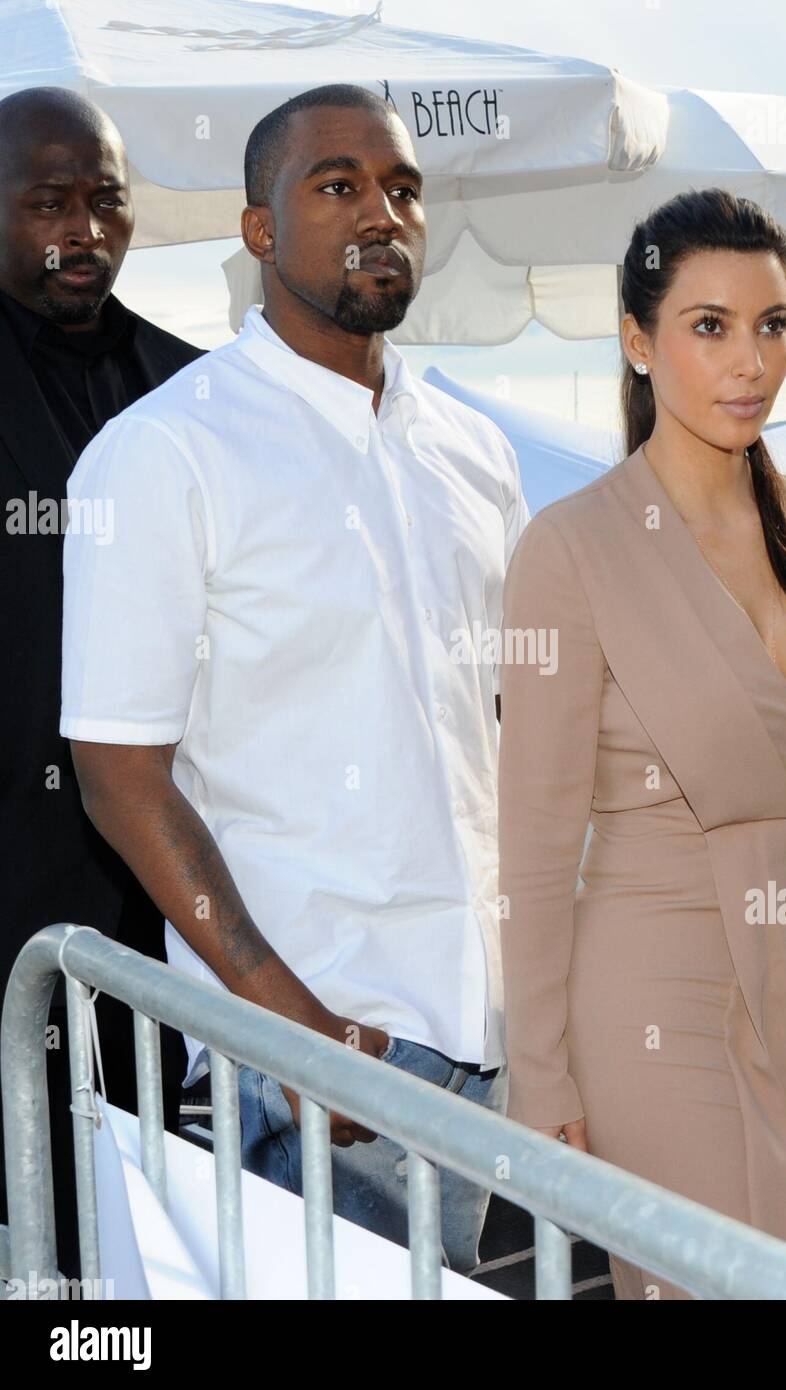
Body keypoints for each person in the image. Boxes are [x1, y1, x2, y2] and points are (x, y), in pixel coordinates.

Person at [60, 84, 529, 1274]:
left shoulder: (475, 452)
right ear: (259, 230)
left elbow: (509, 728)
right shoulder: (165, 454)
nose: (382, 212)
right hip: (314, 1046)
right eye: (337, 186)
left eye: (404, 188)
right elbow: (120, 778)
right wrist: (291, 1024)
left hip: (482, 1027)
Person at [497, 188, 786, 1300]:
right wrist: (541, 1077)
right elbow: (533, 842)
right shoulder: (569, 549)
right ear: (637, 340)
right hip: (661, 987)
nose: (750, 361)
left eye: (772, 325)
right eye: (708, 326)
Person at [0, 87, 200, 1276]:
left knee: (126, 1195)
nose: (83, 230)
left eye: (107, 201)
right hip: (7, 861)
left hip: (150, 877)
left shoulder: (193, 390)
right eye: (48, 203)